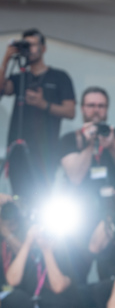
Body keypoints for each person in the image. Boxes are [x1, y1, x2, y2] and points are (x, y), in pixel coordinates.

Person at [58, 86, 115, 282]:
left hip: (113, 214)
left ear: (107, 109)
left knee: (110, 276)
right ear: (83, 108)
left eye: (101, 106)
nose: (96, 110)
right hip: (79, 216)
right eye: (91, 105)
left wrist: (113, 145)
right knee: (75, 275)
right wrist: (89, 144)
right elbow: (75, 176)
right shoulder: (71, 139)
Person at [0, 29, 76, 203]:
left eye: (33, 44)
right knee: (18, 198)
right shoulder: (20, 78)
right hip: (17, 150)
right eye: (25, 45)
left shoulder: (59, 77)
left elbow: (70, 111)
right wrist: (6, 60)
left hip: (44, 151)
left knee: (42, 198)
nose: (30, 49)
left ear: (43, 48)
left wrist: (44, 105)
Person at [2, 224, 77, 308]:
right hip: (29, 304)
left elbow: (58, 287)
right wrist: (28, 242)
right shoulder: (33, 255)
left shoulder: (67, 257)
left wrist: (47, 250)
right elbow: (11, 280)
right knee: (14, 298)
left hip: (55, 304)